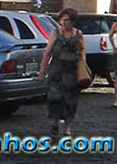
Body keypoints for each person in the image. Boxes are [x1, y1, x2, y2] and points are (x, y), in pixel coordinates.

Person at [36, 7, 86, 138]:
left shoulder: (78, 34)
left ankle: (67, 127)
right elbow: (48, 52)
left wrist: (83, 65)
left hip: (72, 69)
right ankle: (56, 122)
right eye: (62, 20)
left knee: (70, 99)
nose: (64, 23)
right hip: (57, 68)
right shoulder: (55, 33)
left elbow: (82, 50)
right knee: (55, 97)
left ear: (72, 21)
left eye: (67, 20)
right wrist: (42, 71)